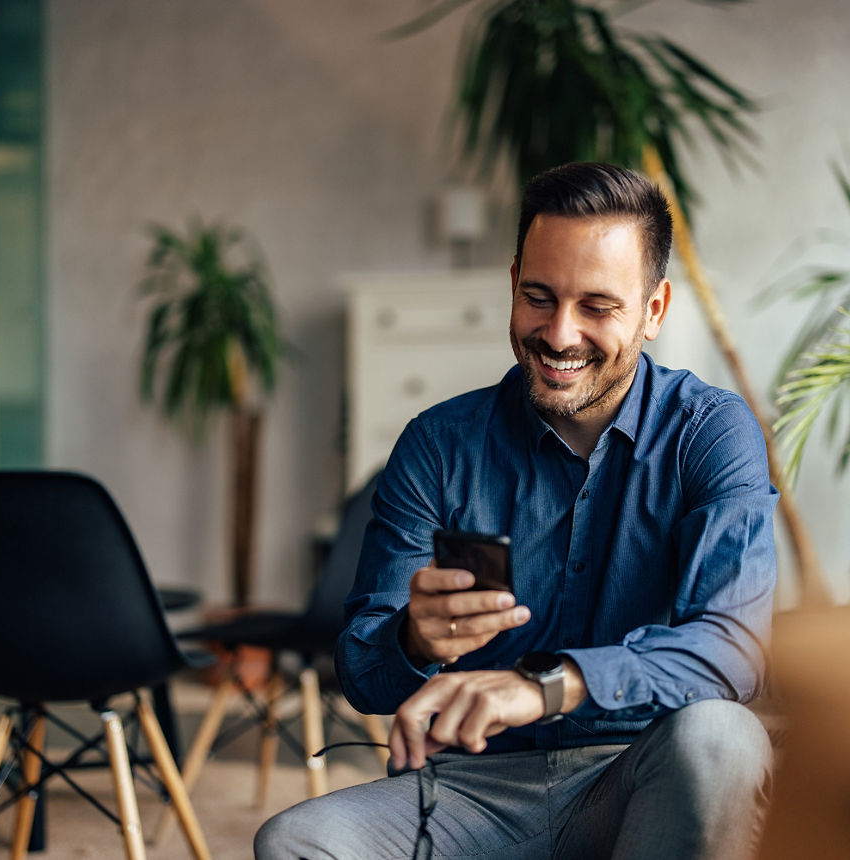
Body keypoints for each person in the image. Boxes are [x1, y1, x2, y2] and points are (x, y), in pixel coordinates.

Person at [256, 162, 777, 859]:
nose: (559, 334)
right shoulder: (437, 445)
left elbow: (731, 651)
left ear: (653, 310)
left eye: (597, 306)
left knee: (722, 737)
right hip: (470, 789)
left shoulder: (709, 432)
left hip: (640, 775)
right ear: (512, 284)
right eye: (539, 297)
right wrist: (415, 640)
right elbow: (362, 674)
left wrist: (550, 685)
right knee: (295, 841)